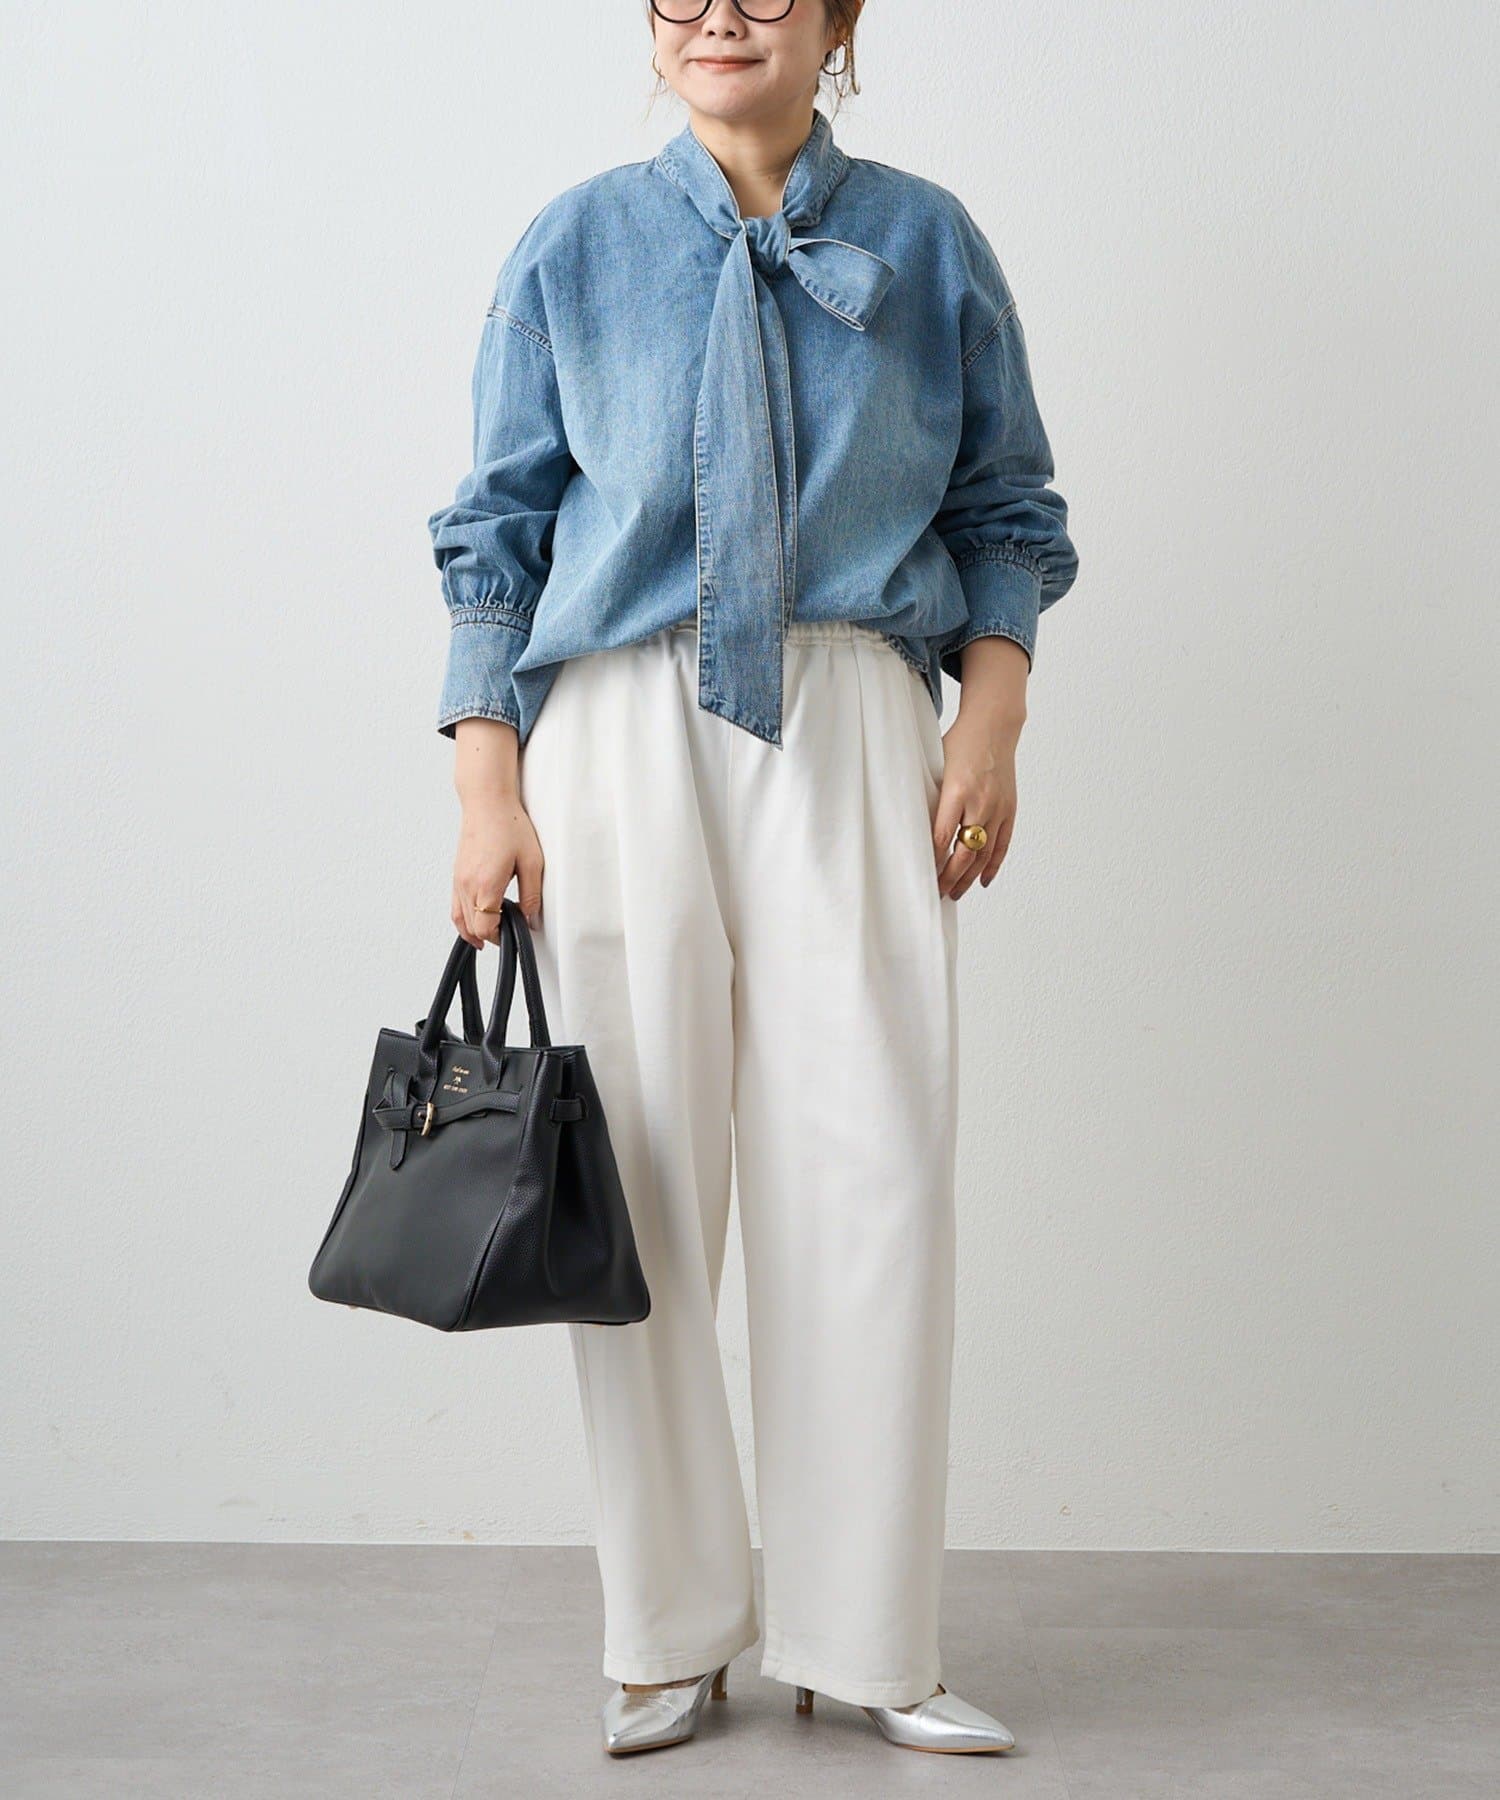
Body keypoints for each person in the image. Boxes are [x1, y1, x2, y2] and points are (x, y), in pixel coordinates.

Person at [426, 0, 1077, 1760]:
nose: (720, 15)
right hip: (616, 729)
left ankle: (868, 1638)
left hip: (854, 710)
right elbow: (497, 528)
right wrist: (486, 785)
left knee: (872, 1168)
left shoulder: (928, 241)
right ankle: (668, 1630)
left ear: (840, 19)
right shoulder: (573, 244)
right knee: (634, 1179)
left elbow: (1007, 508)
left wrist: (990, 722)